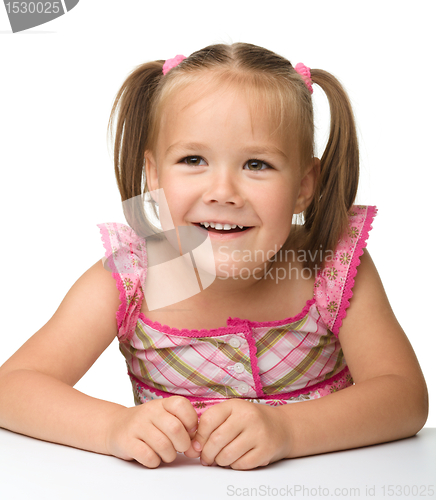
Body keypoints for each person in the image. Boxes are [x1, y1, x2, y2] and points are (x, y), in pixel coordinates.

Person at [0, 42, 428, 471]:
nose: (223, 192)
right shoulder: (128, 282)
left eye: (257, 164)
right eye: (193, 159)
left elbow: (404, 397)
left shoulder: (329, 268)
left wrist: (288, 430)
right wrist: (113, 427)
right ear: (154, 175)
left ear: (303, 185)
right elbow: (13, 387)